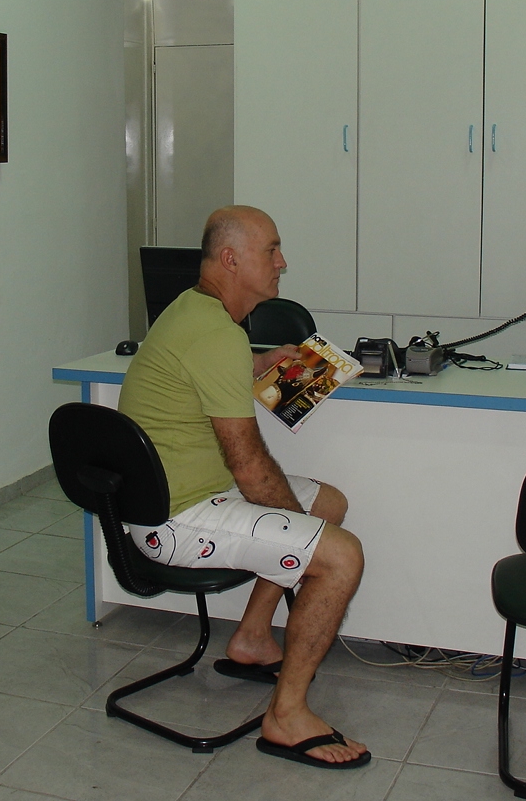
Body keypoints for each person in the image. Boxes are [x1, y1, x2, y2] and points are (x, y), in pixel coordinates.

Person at [117, 205, 370, 769]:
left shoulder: (198, 314)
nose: (283, 262)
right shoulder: (215, 335)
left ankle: (253, 637)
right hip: (174, 522)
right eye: (271, 250)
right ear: (231, 260)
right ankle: (287, 716)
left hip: (186, 496)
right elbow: (251, 469)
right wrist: (305, 538)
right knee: (341, 556)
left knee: (330, 504)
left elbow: (204, 368)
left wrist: (257, 362)